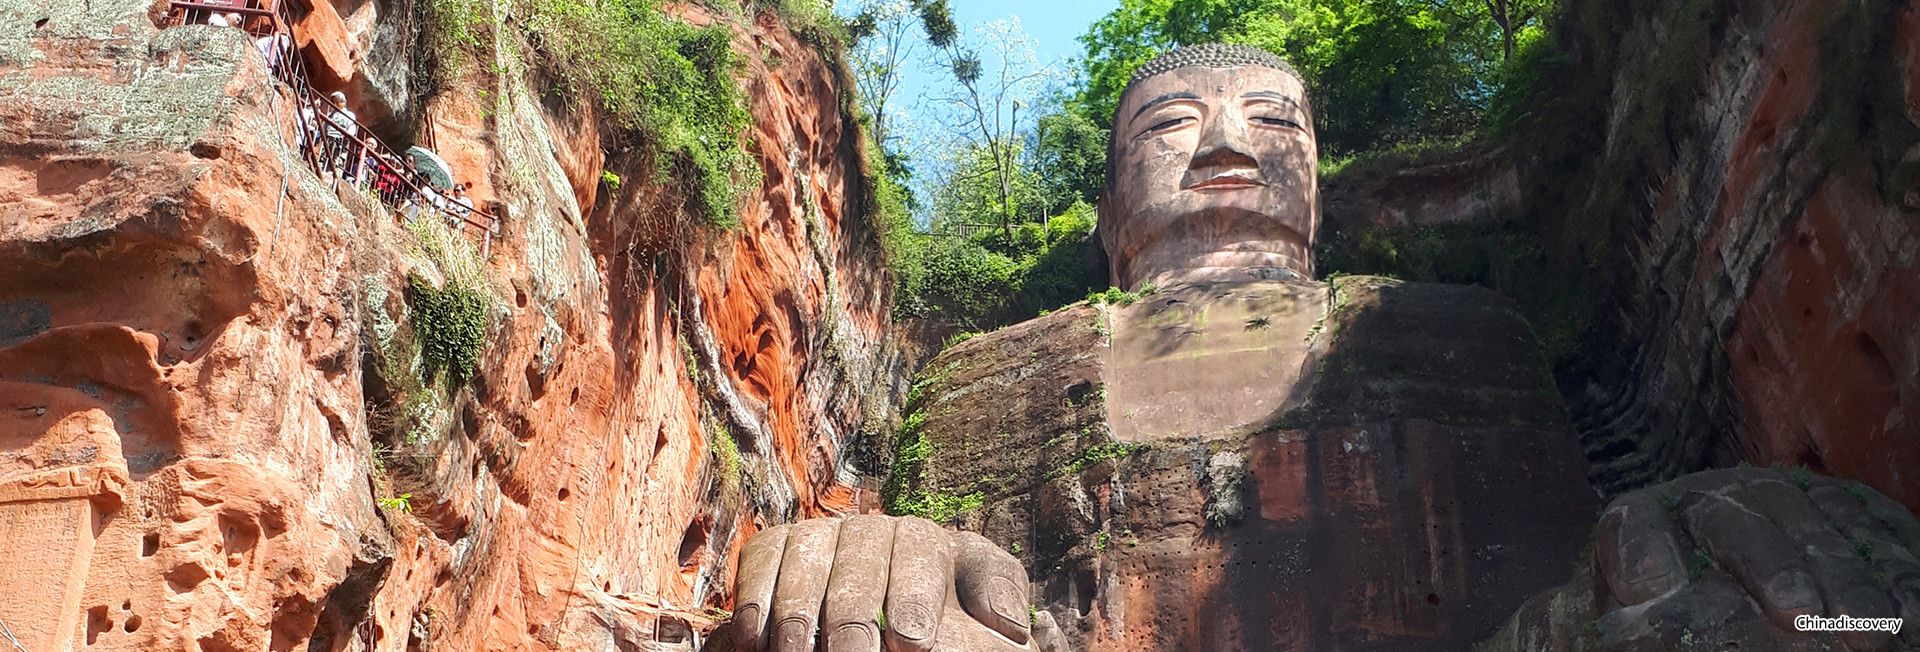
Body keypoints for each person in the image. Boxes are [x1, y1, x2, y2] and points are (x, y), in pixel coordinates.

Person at [707, 43, 1920, 652]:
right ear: (1105, 216)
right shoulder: (996, 376)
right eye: (1172, 123)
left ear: (1324, 192)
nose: (1226, 142)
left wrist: (1713, 529)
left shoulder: (1456, 339)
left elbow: (1579, 598)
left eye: (1275, 118)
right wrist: (869, 555)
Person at [322, 91, 358, 181]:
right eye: (334, 102)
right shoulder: (331, 115)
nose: (335, 104)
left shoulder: (349, 115)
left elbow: (351, 127)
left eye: (337, 102)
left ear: (343, 102)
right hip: (328, 139)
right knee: (325, 158)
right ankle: (323, 173)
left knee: (337, 161)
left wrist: (347, 135)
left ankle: (334, 179)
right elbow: (324, 126)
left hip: (340, 141)